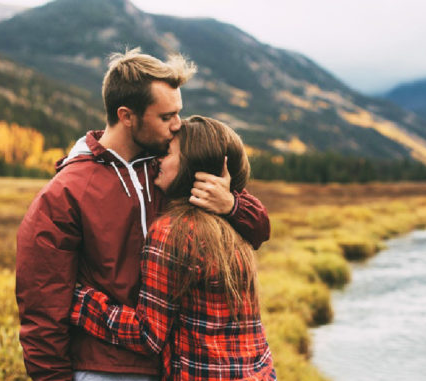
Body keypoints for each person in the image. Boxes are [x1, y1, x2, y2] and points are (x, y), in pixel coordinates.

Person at [16, 49, 270, 381]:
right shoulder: (65, 192)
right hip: (104, 369)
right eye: (166, 117)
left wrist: (233, 204)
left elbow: (259, 229)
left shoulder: (172, 171)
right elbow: (42, 308)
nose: (178, 125)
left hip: (177, 366)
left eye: (179, 112)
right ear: (127, 116)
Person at [71, 116, 275, 380]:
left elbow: (147, 335)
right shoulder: (233, 225)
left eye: (167, 153)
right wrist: (232, 204)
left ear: (192, 165)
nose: (157, 160)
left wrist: (79, 300)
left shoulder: (172, 232)